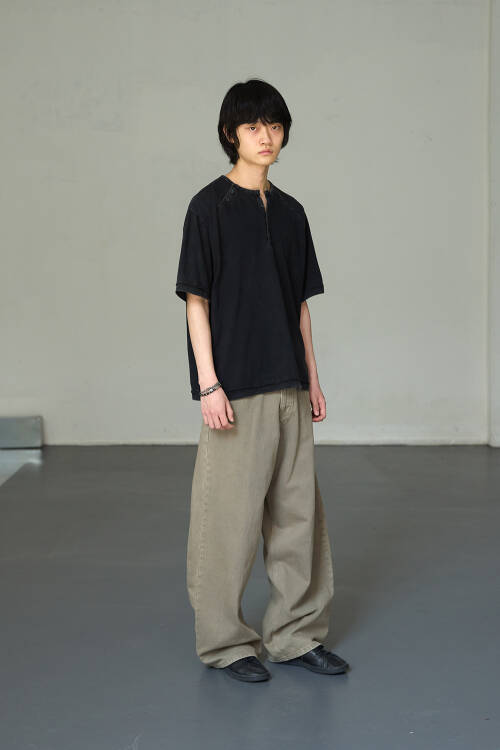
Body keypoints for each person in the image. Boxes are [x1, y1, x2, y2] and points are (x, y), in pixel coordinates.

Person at [175, 78, 350, 683]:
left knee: (298, 518)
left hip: (289, 384)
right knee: (226, 521)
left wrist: (313, 380)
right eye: (253, 127)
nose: (266, 136)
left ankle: (296, 636)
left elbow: (300, 307)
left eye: (274, 125)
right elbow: (196, 301)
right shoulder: (208, 207)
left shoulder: (293, 212)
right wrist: (208, 384)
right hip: (236, 387)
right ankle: (226, 643)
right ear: (231, 134)